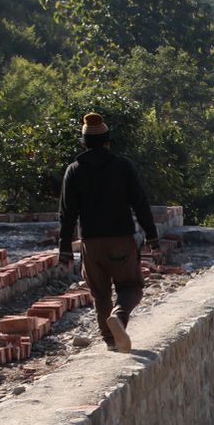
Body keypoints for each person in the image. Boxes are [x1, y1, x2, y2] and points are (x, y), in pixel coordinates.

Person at [58, 112, 158, 354]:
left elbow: (67, 213)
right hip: (121, 240)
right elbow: (140, 203)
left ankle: (111, 341)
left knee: (100, 293)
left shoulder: (74, 170)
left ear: (83, 143)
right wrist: (152, 236)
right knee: (131, 286)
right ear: (107, 141)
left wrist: (64, 250)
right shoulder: (123, 166)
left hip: (91, 244)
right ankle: (120, 316)